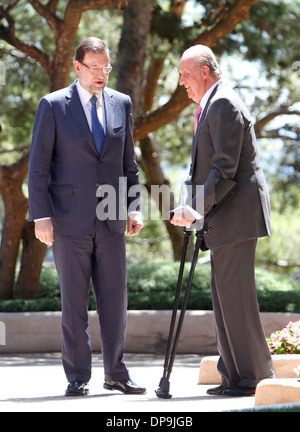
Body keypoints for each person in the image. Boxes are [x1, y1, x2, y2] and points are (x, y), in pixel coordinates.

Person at [28, 37, 146, 396]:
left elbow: (129, 164)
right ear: (77, 67)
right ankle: (78, 376)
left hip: (111, 217)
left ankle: (116, 374)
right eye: (94, 67)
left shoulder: (121, 103)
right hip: (68, 219)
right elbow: (38, 168)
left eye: (106, 66)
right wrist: (41, 217)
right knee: (74, 304)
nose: (102, 74)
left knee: (115, 302)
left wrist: (134, 205)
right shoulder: (53, 106)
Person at [170, 45, 275, 396]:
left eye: (185, 74)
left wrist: (195, 209)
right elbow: (201, 171)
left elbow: (224, 168)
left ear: (204, 71)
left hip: (237, 215)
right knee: (223, 295)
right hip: (224, 215)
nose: (181, 82)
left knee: (235, 296)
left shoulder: (224, 103)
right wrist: (189, 207)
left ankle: (253, 378)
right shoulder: (211, 105)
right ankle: (233, 375)